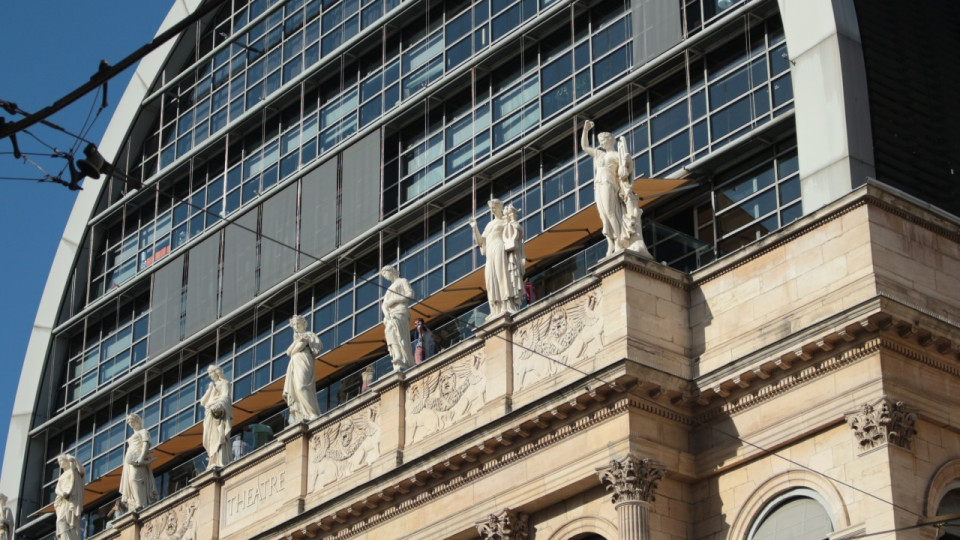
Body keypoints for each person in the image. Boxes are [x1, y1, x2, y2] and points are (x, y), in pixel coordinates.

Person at [470, 199, 521, 321]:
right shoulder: (490, 225)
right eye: (491, 208)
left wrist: (512, 218)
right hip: (490, 253)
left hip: (499, 248)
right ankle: (495, 308)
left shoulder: (505, 221)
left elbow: (517, 231)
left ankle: (506, 304)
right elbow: (480, 241)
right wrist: (474, 227)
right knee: (490, 279)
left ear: (499, 207)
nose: (492, 210)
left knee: (501, 275)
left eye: (494, 207)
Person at [581, 120, 626, 257]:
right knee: (603, 215)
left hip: (609, 183)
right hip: (599, 184)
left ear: (610, 140)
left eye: (602, 140)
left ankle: (619, 241)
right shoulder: (600, 154)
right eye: (599, 140)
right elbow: (584, 146)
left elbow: (626, 168)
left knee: (610, 212)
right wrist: (585, 130)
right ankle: (610, 242)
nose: (600, 143)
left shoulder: (616, 155)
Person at [284, 315, 323, 424]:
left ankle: (312, 413)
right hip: (295, 363)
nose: (296, 326)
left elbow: (298, 348)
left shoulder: (308, 335)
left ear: (303, 324)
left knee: (302, 387)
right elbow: (288, 352)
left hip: (304, 359)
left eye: (298, 324)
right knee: (297, 388)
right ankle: (305, 414)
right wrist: (295, 346)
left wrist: (295, 347)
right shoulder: (298, 338)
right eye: (294, 325)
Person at [118, 413, 158, 511]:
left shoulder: (143, 431)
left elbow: (146, 444)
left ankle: (141, 504)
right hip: (130, 462)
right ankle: (137, 503)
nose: (131, 424)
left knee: (134, 479)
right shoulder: (133, 435)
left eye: (132, 421)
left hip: (138, 460)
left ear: (137, 420)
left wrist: (141, 457)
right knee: (132, 481)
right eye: (129, 423)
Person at [380, 265, 415, 370]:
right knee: (389, 331)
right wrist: (386, 313)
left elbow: (410, 294)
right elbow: (384, 304)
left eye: (385, 274)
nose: (386, 277)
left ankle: (405, 357)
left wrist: (395, 300)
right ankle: (398, 354)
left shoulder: (402, 281)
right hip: (391, 314)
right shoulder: (388, 289)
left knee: (400, 334)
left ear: (391, 271)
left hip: (400, 310)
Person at [199, 365, 233, 470]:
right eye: (209, 373)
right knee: (210, 439)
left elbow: (225, 398)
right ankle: (213, 459)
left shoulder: (225, 384)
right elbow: (202, 402)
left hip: (218, 415)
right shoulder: (212, 386)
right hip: (209, 416)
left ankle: (219, 460)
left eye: (210, 372)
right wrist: (210, 389)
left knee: (218, 437)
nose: (210, 375)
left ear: (216, 372)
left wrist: (218, 405)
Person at [54, 454, 85, 540]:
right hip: (63, 500)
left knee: (62, 521)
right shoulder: (61, 477)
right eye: (59, 462)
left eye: (61, 461)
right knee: (60, 521)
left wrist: (74, 459)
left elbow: (82, 471)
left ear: (66, 461)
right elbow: (57, 489)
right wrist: (62, 493)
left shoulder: (74, 471)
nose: (60, 464)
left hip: (71, 499)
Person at [503, 204, 525, 311]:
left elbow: (519, 232)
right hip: (508, 257)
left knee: (514, 276)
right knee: (510, 276)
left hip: (514, 256)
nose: (512, 215)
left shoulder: (516, 225)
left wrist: (512, 224)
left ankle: (514, 301)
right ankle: (510, 303)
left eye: (513, 214)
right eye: (510, 213)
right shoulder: (506, 226)